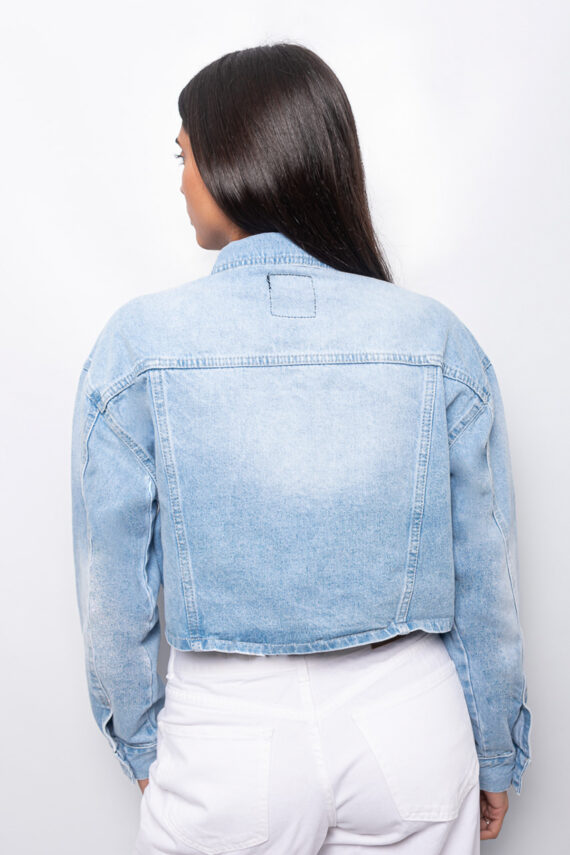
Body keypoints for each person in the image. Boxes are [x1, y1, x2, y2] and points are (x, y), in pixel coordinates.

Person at [70, 42, 532, 854]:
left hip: (227, 731)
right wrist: (495, 744)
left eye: (184, 156)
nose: (181, 182)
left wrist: (141, 741)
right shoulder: (434, 337)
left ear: (236, 158)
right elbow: (484, 572)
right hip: (408, 728)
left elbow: (113, 586)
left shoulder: (138, 344)